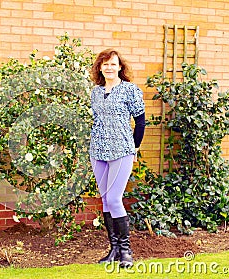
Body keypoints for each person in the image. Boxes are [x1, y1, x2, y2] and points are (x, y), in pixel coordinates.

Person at [89, 48, 145, 267]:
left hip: (122, 149)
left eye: (113, 64)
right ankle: (113, 249)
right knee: (105, 200)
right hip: (98, 151)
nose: (109, 67)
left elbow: (140, 122)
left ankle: (126, 252)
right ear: (100, 68)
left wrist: (135, 147)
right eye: (105, 64)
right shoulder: (95, 92)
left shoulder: (130, 90)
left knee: (114, 199)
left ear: (120, 67)